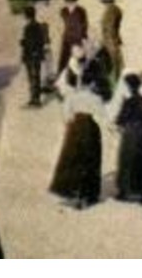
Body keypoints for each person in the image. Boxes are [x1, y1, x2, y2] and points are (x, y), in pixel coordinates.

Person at [48, 69, 104, 208]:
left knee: (73, 160)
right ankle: (88, 194)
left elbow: (66, 115)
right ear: (92, 83)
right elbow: (102, 114)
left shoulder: (72, 97)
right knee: (90, 160)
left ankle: (74, 192)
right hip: (90, 128)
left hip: (75, 129)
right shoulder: (95, 98)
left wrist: (70, 126)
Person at [115, 74, 142, 204]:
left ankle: (124, 192)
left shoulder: (128, 102)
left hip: (131, 134)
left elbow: (120, 120)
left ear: (128, 87)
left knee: (127, 162)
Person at [20, 5, 50, 107]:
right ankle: (34, 98)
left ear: (26, 15)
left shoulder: (29, 27)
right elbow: (40, 41)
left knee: (33, 78)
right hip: (35, 55)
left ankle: (35, 100)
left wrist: (22, 42)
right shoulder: (37, 26)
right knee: (34, 77)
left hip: (31, 56)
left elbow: (31, 42)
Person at [57, 0, 89, 76]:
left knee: (79, 61)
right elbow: (60, 25)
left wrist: (83, 38)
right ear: (66, 1)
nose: (71, 3)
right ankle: (60, 79)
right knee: (64, 60)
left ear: (75, 0)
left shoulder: (81, 11)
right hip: (67, 39)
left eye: (72, 0)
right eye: (68, 1)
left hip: (77, 39)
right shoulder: (63, 11)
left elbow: (84, 26)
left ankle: (81, 79)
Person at [99, 0, 124, 83]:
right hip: (110, 41)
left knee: (114, 67)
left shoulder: (111, 10)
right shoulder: (112, 9)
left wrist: (108, 43)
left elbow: (110, 29)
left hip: (111, 42)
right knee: (115, 66)